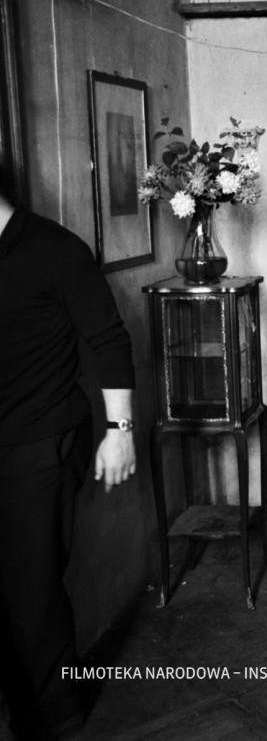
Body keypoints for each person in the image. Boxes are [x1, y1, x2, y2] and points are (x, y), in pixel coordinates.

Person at [0, 179, 136, 740]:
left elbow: (110, 342)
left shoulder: (55, 249)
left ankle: (53, 718)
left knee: (31, 589)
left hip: (42, 444)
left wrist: (120, 432)